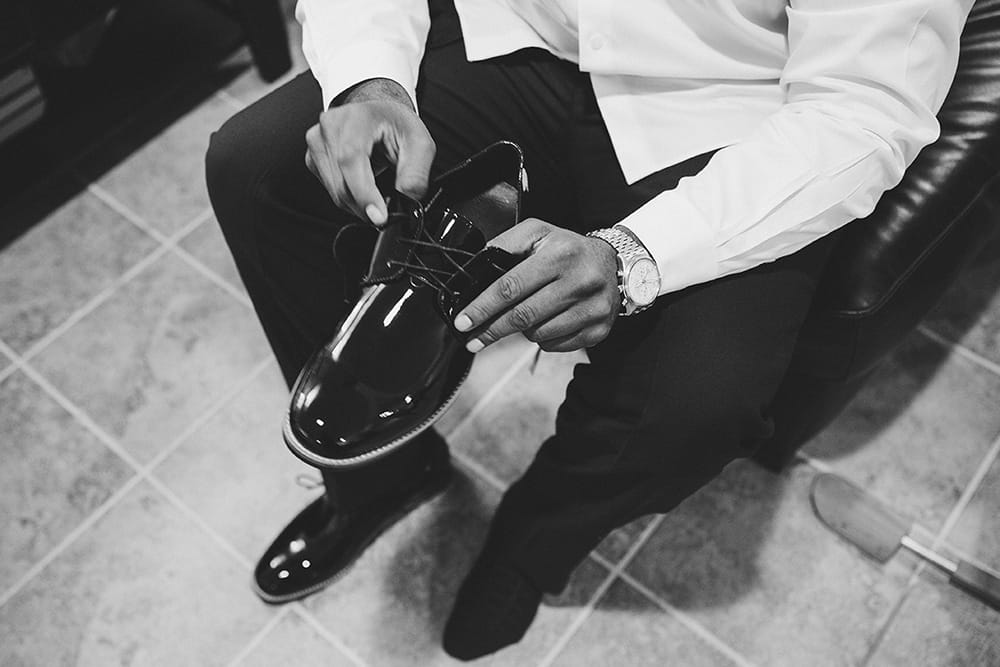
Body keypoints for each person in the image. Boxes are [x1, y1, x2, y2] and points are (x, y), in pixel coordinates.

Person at [205, 0, 972, 659]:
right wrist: (369, 77)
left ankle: (534, 539)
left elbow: (862, 109)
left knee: (698, 402)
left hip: (728, 98)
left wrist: (638, 254)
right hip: (524, 27)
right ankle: (384, 476)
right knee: (255, 167)